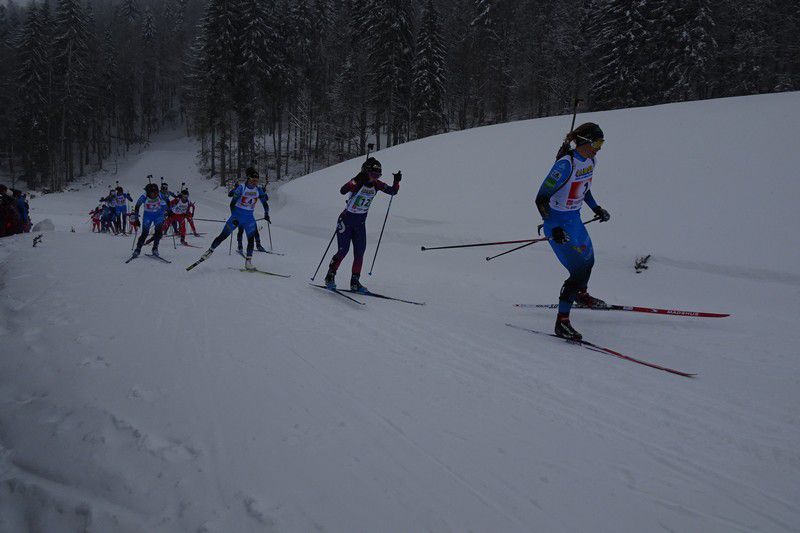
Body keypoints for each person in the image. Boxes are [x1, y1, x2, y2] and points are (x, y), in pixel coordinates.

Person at [535, 122, 611, 341]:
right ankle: (562, 322)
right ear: (585, 142)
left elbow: (583, 188)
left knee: (589, 260)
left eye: (602, 143)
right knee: (577, 271)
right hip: (557, 222)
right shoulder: (564, 165)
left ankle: (580, 294)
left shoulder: (590, 161)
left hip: (574, 220)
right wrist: (553, 226)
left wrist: (597, 208)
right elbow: (540, 199)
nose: (599, 148)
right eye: (597, 142)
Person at [324, 157, 400, 292]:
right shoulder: (358, 182)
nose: (375, 178)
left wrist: (396, 181)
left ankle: (355, 281)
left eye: (378, 175)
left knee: (359, 253)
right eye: (373, 174)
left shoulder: (377, 185)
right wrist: (356, 179)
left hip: (360, 224)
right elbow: (343, 190)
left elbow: (393, 191)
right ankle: (330, 275)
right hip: (346, 221)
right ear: (366, 172)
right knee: (343, 250)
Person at [198, 167, 270, 270]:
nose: (255, 182)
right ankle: (209, 251)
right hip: (237, 216)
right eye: (253, 180)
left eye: (257, 180)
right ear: (249, 179)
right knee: (223, 236)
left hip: (249, 218)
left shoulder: (258, 190)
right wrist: (234, 216)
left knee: (251, 240)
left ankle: (248, 262)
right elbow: (232, 204)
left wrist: (266, 213)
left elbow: (265, 203)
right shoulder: (241, 188)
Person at [130, 183, 169, 258]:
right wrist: (136, 219)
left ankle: (155, 249)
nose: (155, 195)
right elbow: (137, 206)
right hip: (148, 216)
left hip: (158, 215)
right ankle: (138, 249)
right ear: (148, 192)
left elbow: (167, 201)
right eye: (152, 193)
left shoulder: (160, 195)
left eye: (156, 193)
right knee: (145, 233)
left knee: (158, 232)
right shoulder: (144, 197)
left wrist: (168, 211)